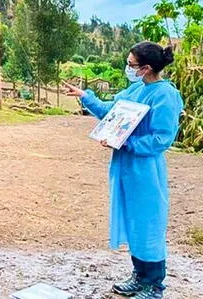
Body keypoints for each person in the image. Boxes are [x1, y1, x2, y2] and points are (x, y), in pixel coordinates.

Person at [65, 41, 183, 299]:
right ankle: (139, 276)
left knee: (148, 223)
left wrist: (127, 142)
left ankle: (154, 285)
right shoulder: (136, 89)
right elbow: (111, 112)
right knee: (133, 223)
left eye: (131, 65)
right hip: (125, 167)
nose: (128, 69)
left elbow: (162, 138)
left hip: (145, 170)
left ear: (147, 67)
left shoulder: (165, 95)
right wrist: (86, 97)